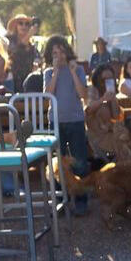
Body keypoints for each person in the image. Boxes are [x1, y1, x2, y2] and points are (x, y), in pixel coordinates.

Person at [42, 36, 92, 215]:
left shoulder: (77, 69)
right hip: (56, 121)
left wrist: (72, 72)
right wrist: (55, 72)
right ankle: (60, 200)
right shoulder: (48, 72)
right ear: (50, 55)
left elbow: (83, 94)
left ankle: (81, 199)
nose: (59, 56)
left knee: (79, 160)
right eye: (55, 53)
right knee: (57, 163)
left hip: (76, 120)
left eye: (62, 51)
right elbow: (47, 95)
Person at [85, 64, 131, 162]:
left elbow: (116, 116)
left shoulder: (112, 92)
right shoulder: (93, 89)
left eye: (110, 80)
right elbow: (88, 110)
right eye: (104, 80)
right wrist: (103, 99)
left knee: (126, 138)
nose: (106, 83)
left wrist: (113, 101)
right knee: (119, 141)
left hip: (111, 131)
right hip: (97, 132)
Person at [5, 14, 40, 91]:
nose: (24, 26)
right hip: (12, 81)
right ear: (15, 26)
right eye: (21, 23)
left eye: (27, 24)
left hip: (28, 81)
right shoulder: (9, 40)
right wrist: (28, 36)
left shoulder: (32, 45)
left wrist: (37, 63)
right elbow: (14, 53)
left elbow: (38, 59)